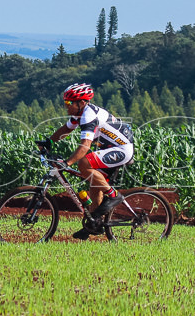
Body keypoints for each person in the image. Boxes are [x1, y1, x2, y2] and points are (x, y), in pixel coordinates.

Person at [46, 82, 134, 239]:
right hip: (108, 148)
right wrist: (49, 142)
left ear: (81, 102)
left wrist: (67, 163)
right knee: (95, 186)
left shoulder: (88, 116)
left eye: (68, 103)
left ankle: (114, 195)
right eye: (65, 102)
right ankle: (94, 225)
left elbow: (85, 146)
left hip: (122, 149)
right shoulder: (80, 114)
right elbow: (66, 129)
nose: (66, 106)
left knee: (84, 163)